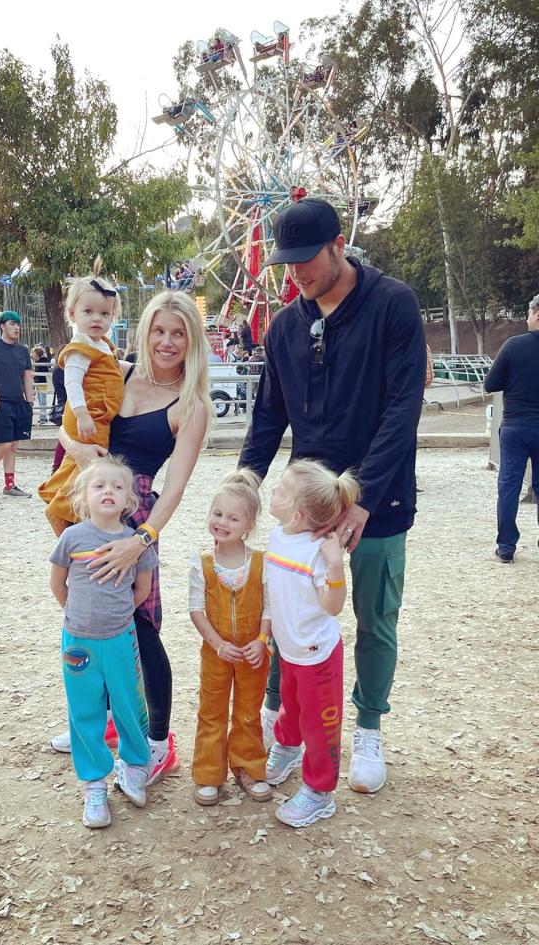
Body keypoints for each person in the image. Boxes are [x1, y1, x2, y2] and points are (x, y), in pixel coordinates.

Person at [240, 197, 426, 795]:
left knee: (373, 615)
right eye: (286, 264)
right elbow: (268, 414)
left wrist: (365, 496)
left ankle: (369, 727)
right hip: (305, 502)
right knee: (288, 614)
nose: (296, 274)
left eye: (306, 259)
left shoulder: (392, 304)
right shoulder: (284, 326)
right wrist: (245, 484)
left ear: (338, 243)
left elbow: (403, 407)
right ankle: (286, 728)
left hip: (379, 500)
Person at [50, 290, 213, 786]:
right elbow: (64, 429)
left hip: (137, 516)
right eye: (159, 330)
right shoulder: (115, 371)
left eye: (178, 333)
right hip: (92, 508)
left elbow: (177, 487)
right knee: (90, 620)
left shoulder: (192, 404)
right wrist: (79, 453)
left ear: (192, 340)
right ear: (144, 331)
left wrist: (140, 540)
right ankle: (106, 726)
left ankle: (161, 744)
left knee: (140, 627)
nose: (166, 341)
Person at [50, 455, 158, 828]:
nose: (108, 491)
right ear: (83, 496)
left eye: (117, 486)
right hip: (77, 641)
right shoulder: (72, 538)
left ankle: (134, 766)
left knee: (129, 705)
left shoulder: (135, 542)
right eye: (99, 486)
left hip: (120, 639)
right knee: (84, 710)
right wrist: (79, 615)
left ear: (129, 499)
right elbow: (57, 584)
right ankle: (94, 782)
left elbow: (142, 590)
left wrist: (115, 617)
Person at [265, 460, 359, 827]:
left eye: (282, 490)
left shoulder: (317, 552)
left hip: (317, 656)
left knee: (320, 725)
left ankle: (320, 791)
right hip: (289, 649)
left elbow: (333, 607)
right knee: (290, 703)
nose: (274, 490)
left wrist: (335, 565)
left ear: (300, 512)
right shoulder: (277, 536)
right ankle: (287, 748)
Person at [189, 470, 272, 807]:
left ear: (248, 525)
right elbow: (196, 610)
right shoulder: (203, 562)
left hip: (254, 652)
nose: (222, 522)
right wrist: (217, 644)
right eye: (217, 514)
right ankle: (209, 773)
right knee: (211, 710)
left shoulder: (261, 562)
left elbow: (270, 607)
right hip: (217, 653)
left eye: (233, 518)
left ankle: (249, 766)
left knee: (249, 711)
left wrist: (262, 641)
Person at [38, 260, 124, 534]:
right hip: (88, 419)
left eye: (104, 313)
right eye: (89, 312)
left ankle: (66, 505)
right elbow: (72, 382)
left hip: (97, 418)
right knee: (88, 471)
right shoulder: (80, 348)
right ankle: (64, 512)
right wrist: (83, 413)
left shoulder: (103, 346)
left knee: (76, 466)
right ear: (73, 314)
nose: (97, 318)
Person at [483, 294, 539, 562]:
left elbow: (490, 384)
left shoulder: (513, 346)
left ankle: (506, 547)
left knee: (509, 485)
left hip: (516, 426)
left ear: (536, 314)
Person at [0, 311, 35, 498]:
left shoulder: (23, 350)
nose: (17, 327)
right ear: (3, 326)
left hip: (19, 402)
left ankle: (9, 485)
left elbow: (28, 378)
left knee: (13, 446)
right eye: (13, 323)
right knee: (4, 444)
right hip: (1, 401)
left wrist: (29, 401)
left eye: (18, 324)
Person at [32, 346, 50, 423]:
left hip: (42, 382)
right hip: (38, 382)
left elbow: (43, 371)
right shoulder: (37, 361)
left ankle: (43, 417)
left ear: (37, 354)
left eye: (34, 353)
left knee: (42, 401)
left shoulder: (42, 361)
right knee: (40, 400)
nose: (32, 354)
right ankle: (43, 416)